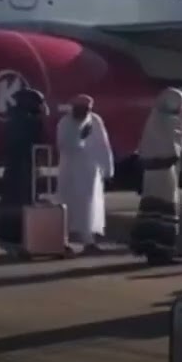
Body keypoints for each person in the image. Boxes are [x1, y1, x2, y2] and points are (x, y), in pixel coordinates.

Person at [130, 88, 182, 265]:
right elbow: (173, 150)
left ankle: (153, 249)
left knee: (154, 210)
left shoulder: (156, 118)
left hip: (153, 173)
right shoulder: (167, 122)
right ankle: (162, 252)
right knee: (164, 210)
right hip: (163, 172)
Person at [56, 94, 114, 253]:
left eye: (87, 109)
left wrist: (108, 169)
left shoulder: (95, 120)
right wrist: (79, 136)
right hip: (70, 170)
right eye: (82, 109)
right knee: (67, 204)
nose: (85, 112)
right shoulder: (65, 122)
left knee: (89, 205)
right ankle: (62, 241)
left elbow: (103, 145)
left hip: (90, 171)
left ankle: (89, 242)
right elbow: (64, 145)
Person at [0, 88, 49, 257]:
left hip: (15, 168)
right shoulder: (27, 121)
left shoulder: (14, 119)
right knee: (20, 204)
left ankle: (10, 241)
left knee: (13, 204)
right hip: (22, 169)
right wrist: (43, 118)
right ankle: (15, 242)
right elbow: (38, 140)